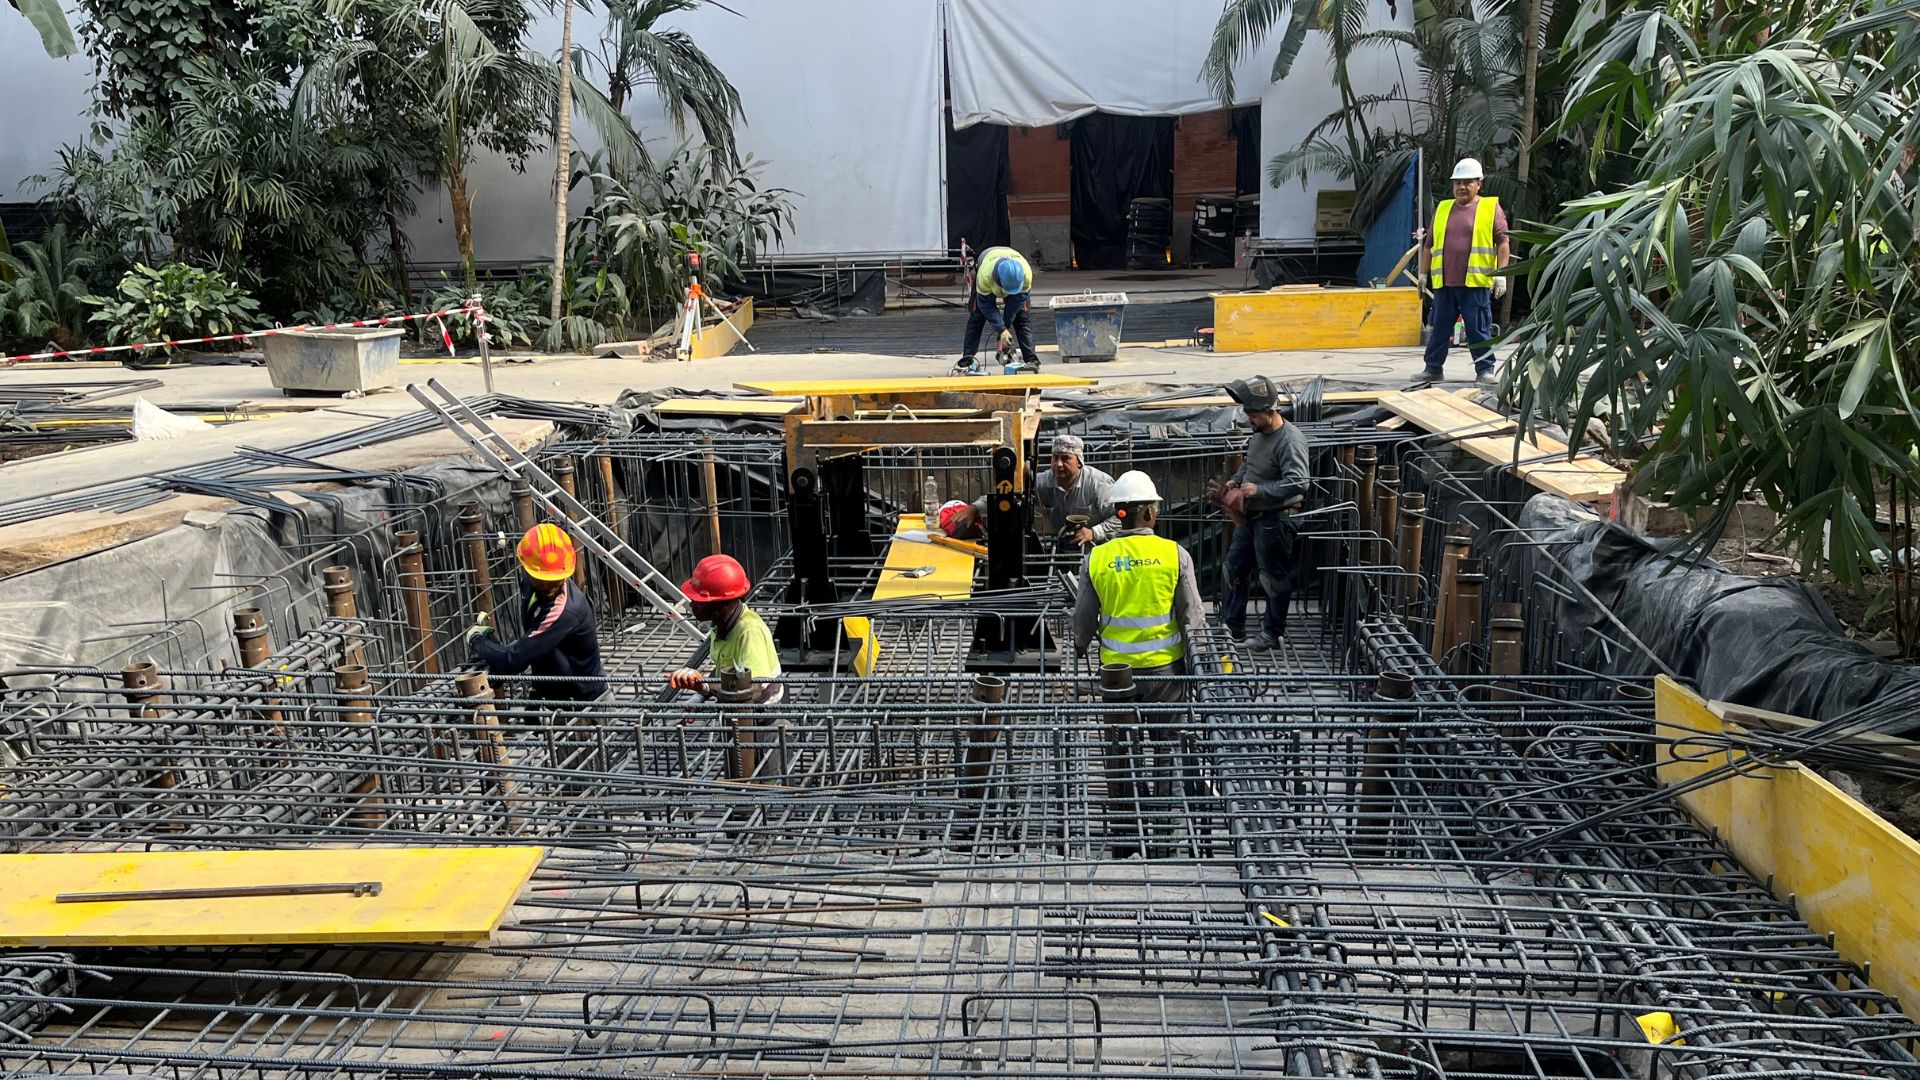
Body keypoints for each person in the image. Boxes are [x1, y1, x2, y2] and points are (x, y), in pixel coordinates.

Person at [1072, 470, 1206, 703]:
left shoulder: (1096, 558)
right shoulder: (1174, 554)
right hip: (1165, 669)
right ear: (1148, 512)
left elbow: (1084, 616)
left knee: (1119, 726)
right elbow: (1191, 613)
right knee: (1165, 727)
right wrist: (1200, 655)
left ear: (1118, 513)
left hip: (1116, 670)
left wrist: (1080, 643)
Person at [1209, 376, 1311, 650]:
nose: (1249, 420)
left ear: (1270, 411)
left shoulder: (1290, 441)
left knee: (1272, 579)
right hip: (1253, 517)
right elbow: (1250, 464)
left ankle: (1272, 634)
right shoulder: (1259, 435)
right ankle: (1234, 628)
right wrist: (1236, 480)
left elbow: (1300, 482)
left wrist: (1260, 490)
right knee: (1233, 568)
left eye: (1254, 416)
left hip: (1276, 519)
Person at [468, 523, 607, 701]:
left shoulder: (564, 611)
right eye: (543, 579)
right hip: (556, 693)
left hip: (585, 703)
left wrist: (478, 641)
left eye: (555, 580)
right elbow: (536, 642)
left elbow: (514, 660)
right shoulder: (530, 584)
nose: (549, 586)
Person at [940, 434, 1122, 552]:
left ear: (1079, 462)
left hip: (1102, 550)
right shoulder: (1044, 482)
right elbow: (1008, 493)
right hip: (1068, 548)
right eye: (1055, 458)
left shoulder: (1099, 484)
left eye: (1066, 459)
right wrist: (974, 508)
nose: (1059, 464)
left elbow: (1122, 517)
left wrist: (1093, 532)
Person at [1422, 157, 1511, 384]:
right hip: (1445, 283)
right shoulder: (1443, 208)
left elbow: (1503, 242)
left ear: (1478, 184)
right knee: (1439, 329)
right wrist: (1422, 275)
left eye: (1467, 182)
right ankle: (1433, 369)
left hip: (1475, 283)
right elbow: (1429, 245)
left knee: (1478, 329)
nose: (1461, 187)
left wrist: (1501, 274)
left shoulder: (1489, 208)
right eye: (1457, 183)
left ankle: (1485, 370)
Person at [668, 554, 785, 705]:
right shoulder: (721, 625)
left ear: (720, 604)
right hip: (734, 706)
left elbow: (754, 690)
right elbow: (723, 670)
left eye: (699, 600)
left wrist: (705, 685)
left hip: (760, 714)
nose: (692, 605)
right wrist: (700, 696)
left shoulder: (749, 632)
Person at [960, 245, 1039, 373]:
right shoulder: (985, 276)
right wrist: (1001, 329)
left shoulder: (1026, 275)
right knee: (977, 315)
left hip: (1012, 262)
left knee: (1021, 316)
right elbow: (986, 306)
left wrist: (1005, 327)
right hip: (987, 258)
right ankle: (967, 360)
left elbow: (1016, 304)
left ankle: (1032, 360)